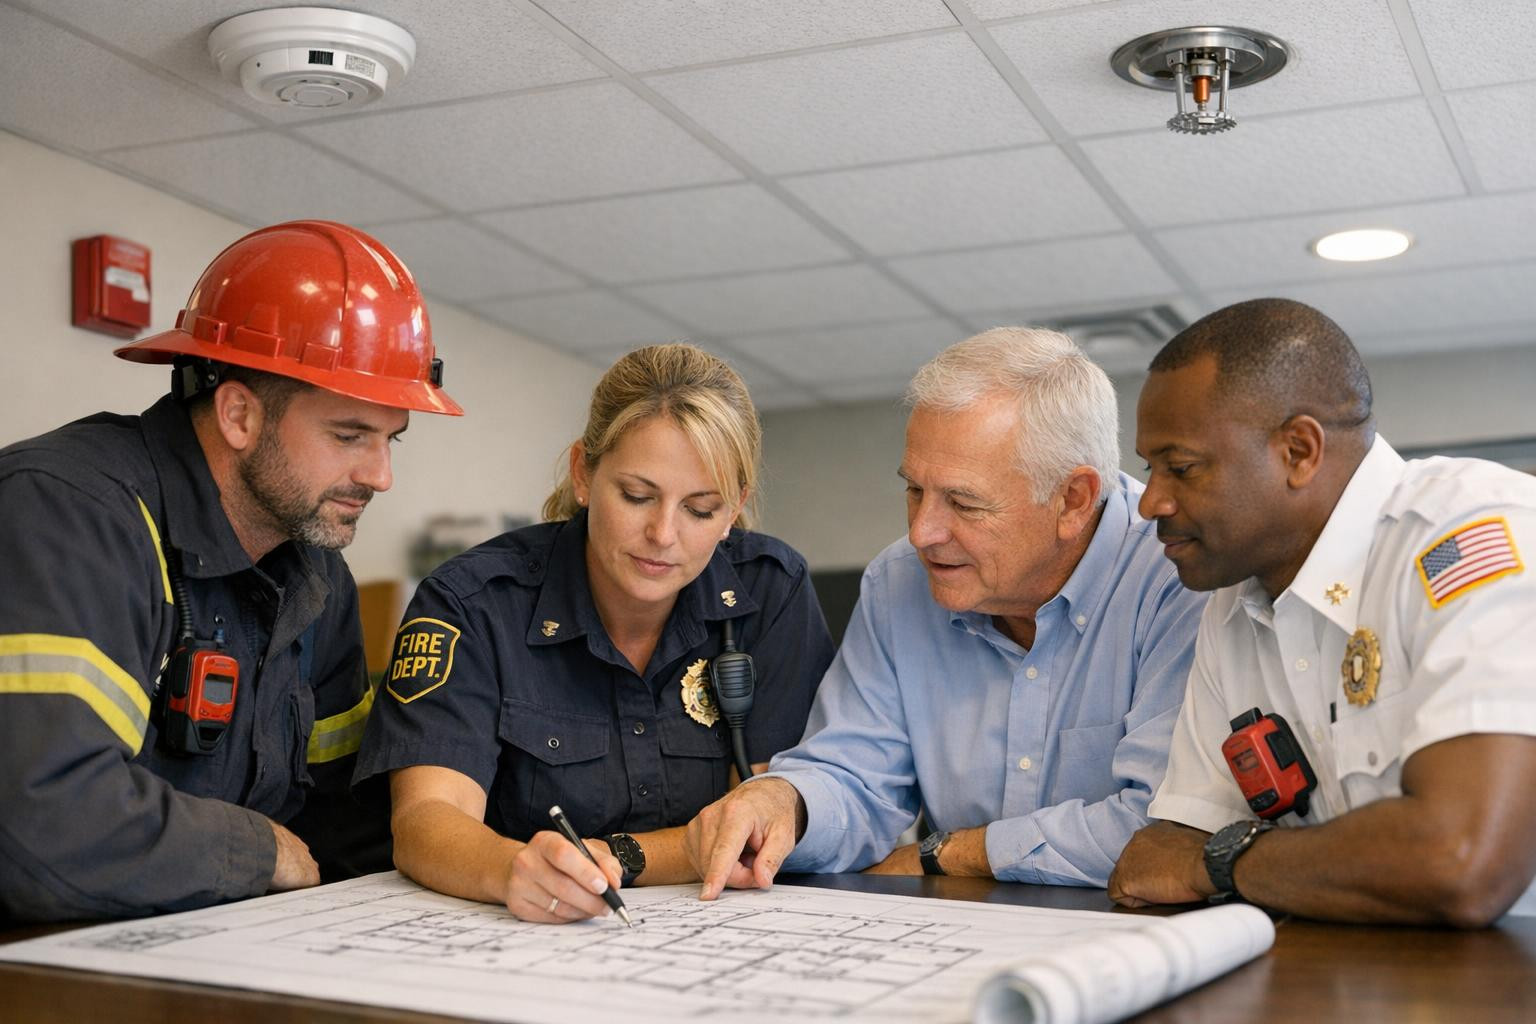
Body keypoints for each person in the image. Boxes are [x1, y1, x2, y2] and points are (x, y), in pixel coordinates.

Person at [0, 220, 462, 922]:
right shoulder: (69, 514)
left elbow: (345, 818)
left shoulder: (317, 577)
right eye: (349, 436)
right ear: (240, 413)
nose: (381, 475)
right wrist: (260, 851)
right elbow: (40, 822)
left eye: (390, 439)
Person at [685, 328, 1207, 897]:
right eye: (914, 491)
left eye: (963, 503)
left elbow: (1166, 831)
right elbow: (855, 776)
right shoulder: (898, 583)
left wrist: (952, 853)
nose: (922, 533)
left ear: (1073, 499)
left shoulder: (1180, 576)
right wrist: (787, 801)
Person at [355, 343, 835, 924]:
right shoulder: (472, 603)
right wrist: (512, 869)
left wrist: (624, 857)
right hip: (525, 938)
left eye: (701, 510)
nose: (663, 534)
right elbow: (426, 821)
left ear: (735, 509)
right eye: (637, 496)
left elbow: (752, 832)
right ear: (584, 473)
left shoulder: (770, 594)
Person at [1109, 298, 1536, 926]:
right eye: (1150, 471)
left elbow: (1462, 863)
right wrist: (1217, 858)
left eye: (1181, 468)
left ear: (1299, 451)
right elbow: (1163, 854)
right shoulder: (1233, 604)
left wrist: (1225, 861)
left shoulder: (1471, 537)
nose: (1152, 503)